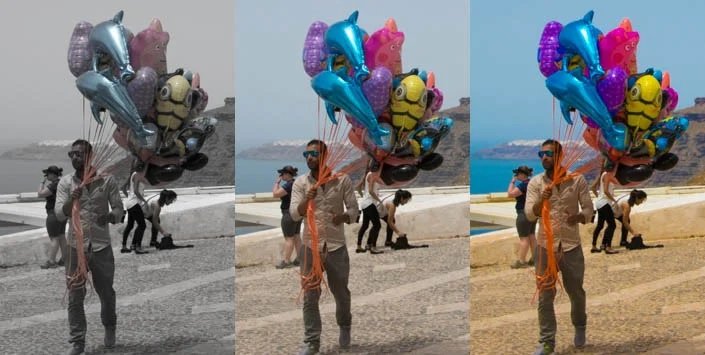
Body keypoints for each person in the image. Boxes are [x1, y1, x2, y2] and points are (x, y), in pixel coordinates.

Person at [55, 139, 124, 355]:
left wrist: (111, 216)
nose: (75, 157)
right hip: (75, 247)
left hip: (101, 246)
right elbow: (59, 213)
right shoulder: (66, 183)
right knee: (75, 295)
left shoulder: (106, 180)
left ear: (89, 156)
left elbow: (119, 210)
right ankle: (77, 341)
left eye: (79, 154)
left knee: (106, 292)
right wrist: (71, 201)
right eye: (72, 154)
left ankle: (110, 327)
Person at [290, 139, 359, 355]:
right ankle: (312, 341)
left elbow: (355, 211)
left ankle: (345, 326)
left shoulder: (342, 180)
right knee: (310, 295)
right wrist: (307, 200)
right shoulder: (301, 183)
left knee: (341, 292)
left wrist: (343, 217)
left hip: (336, 246)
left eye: (313, 153)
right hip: (311, 247)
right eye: (306, 154)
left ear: (324, 156)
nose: (309, 157)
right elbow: (294, 213)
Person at [525, 139, 594, 354]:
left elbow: (589, 211)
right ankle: (547, 341)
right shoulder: (536, 183)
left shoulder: (577, 180)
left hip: (571, 246)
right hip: (546, 246)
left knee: (576, 291)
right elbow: (529, 213)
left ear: (559, 156)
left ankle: (580, 325)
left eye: (548, 153)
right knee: (545, 295)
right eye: (541, 154)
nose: (544, 157)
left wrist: (579, 217)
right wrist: (542, 201)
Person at [507, 165, 537, 268]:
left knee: (524, 238)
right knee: (532, 236)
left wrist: (512, 182)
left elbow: (510, 194)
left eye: (517, 174)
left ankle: (521, 261)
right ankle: (535, 259)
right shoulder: (532, 183)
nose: (516, 175)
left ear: (522, 174)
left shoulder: (523, 185)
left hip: (523, 213)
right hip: (532, 213)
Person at [272, 165, 302, 268]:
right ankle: (300, 259)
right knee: (297, 236)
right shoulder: (296, 183)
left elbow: (275, 194)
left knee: (289, 238)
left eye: (282, 174)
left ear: (287, 174)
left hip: (288, 214)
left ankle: (286, 261)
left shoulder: (288, 185)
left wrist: (277, 183)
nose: (281, 176)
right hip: (297, 213)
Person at [38, 165, 68, 269]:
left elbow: (40, 194)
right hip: (62, 213)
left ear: (52, 174)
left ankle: (51, 261)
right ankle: (64, 259)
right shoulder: (62, 183)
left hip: (53, 213)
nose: (46, 176)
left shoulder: (53, 185)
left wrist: (42, 183)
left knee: (54, 238)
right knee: (62, 236)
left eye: (47, 174)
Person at [121, 163, 148, 254]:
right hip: (134, 203)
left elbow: (123, 188)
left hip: (129, 203)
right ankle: (138, 247)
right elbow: (136, 191)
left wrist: (129, 197)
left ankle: (125, 246)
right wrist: (144, 201)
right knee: (142, 225)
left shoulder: (132, 174)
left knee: (130, 225)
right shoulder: (137, 175)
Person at [355, 168, 384, 254]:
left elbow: (357, 188)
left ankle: (359, 246)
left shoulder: (367, 174)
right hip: (370, 203)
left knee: (365, 225)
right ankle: (373, 247)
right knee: (377, 225)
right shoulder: (372, 175)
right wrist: (379, 201)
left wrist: (363, 197)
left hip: (364, 203)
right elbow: (371, 191)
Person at [591, 169, 619, 254]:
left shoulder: (602, 175)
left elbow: (592, 188)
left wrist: (599, 197)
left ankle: (594, 246)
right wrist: (614, 201)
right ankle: (608, 247)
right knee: (612, 225)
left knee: (600, 225)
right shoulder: (607, 175)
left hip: (599, 203)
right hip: (605, 203)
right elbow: (606, 191)